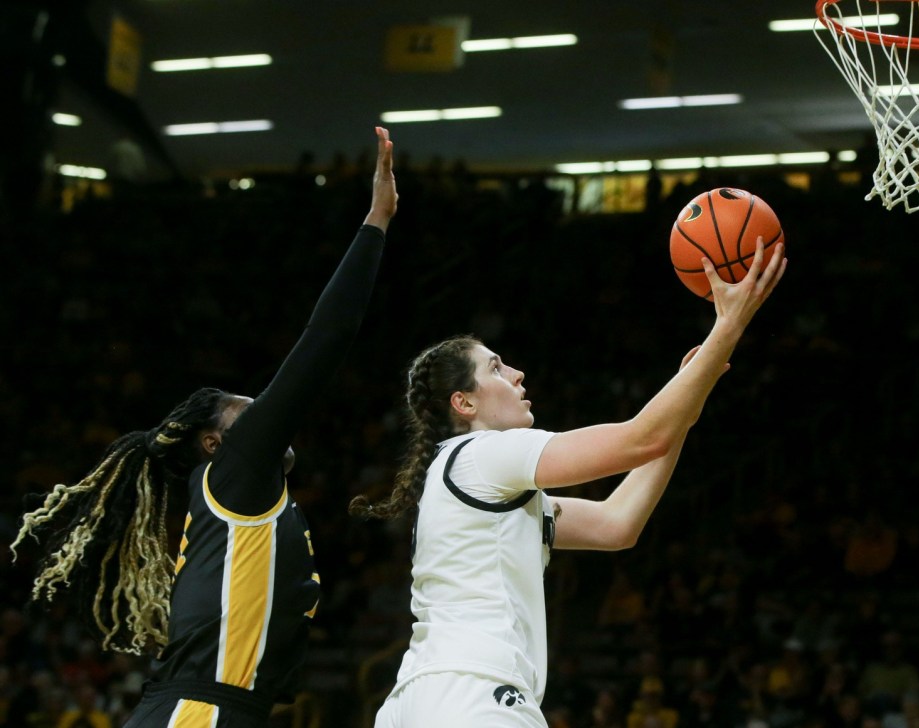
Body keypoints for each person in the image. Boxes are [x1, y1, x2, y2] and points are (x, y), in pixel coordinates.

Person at [10, 126, 399, 726]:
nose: (265, 411)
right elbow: (326, 340)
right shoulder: (235, 473)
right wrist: (376, 220)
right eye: (247, 407)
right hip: (200, 713)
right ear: (216, 442)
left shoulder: (243, 496)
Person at [353, 238, 787, 727]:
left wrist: (685, 410)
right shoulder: (486, 455)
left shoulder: (467, 478)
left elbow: (616, 524)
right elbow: (639, 439)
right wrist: (727, 328)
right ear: (464, 403)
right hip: (473, 696)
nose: (517, 374)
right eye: (495, 367)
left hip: (416, 701)